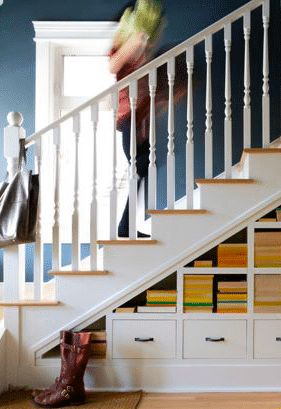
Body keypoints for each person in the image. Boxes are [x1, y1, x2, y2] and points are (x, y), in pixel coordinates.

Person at [109, 2, 186, 238]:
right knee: (142, 166)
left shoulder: (146, 55)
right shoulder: (122, 47)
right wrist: (132, 46)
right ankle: (124, 227)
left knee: (146, 167)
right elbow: (112, 65)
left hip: (141, 122)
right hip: (128, 118)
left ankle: (126, 226)